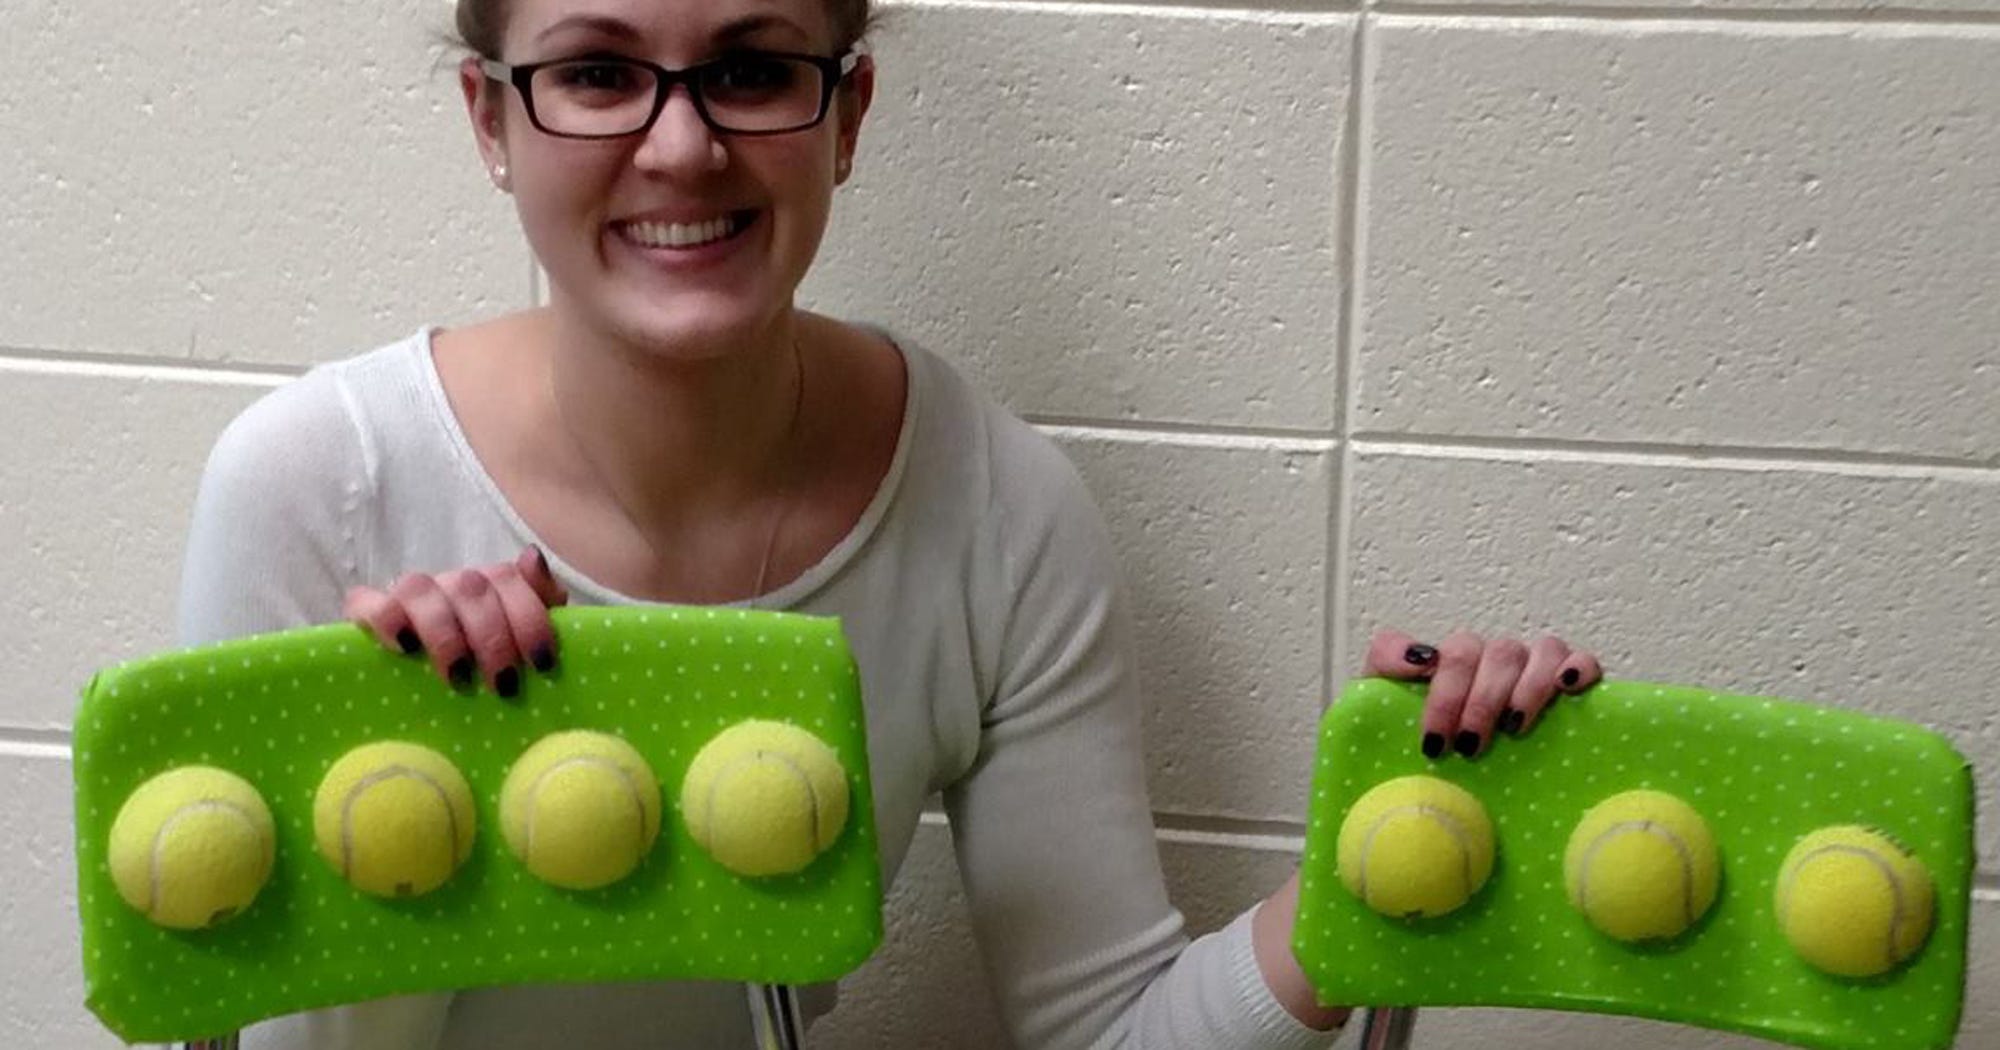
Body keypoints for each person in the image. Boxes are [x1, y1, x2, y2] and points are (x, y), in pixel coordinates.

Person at [174, 0, 1603, 1046]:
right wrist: (424, 805)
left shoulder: (994, 508)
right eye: (598, 73)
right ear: (492, 120)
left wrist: (1369, 886)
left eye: (750, 68)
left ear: (845, 114)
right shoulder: (318, 486)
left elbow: (1109, 1030)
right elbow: (224, 1019)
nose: (681, 147)